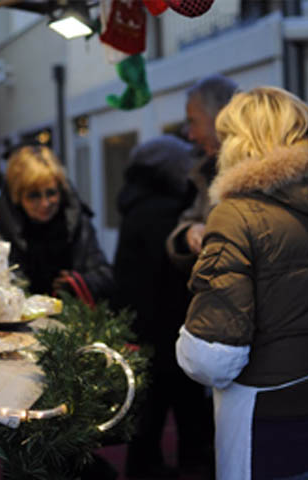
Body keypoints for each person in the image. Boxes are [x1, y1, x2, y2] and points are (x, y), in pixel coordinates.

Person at [176, 86, 308, 479]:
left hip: (269, 428)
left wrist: (183, 346)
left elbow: (213, 357)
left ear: (243, 141)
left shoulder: (236, 215)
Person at [113, 134, 213, 478]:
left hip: (144, 332)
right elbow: (173, 276)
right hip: (168, 333)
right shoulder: (162, 211)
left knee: (146, 427)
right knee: (189, 427)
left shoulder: (137, 205)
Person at [0, 144, 114, 302]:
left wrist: (78, 283)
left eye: (51, 193)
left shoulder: (78, 223)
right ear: (17, 197)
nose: (45, 203)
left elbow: (105, 275)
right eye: (33, 196)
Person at [166, 74, 239, 273]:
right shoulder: (206, 172)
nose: (189, 134)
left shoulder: (258, 174)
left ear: (220, 117)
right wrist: (188, 234)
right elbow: (188, 221)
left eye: (193, 122)